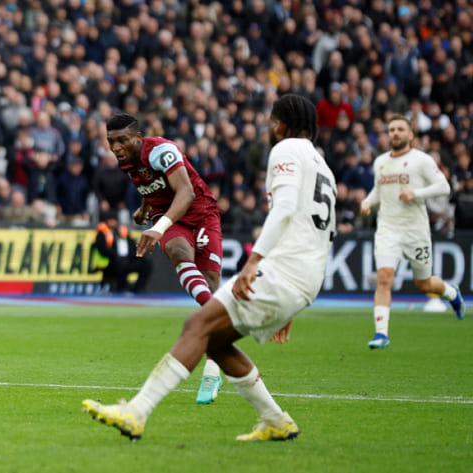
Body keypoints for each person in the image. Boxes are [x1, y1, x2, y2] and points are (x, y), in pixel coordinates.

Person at [83, 94, 337, 441]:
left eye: (269, 122)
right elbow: (319, 231)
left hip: (278, 268)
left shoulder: (285, 150)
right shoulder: (322, 166)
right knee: (212, 339)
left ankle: (135, 412)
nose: (267, 129)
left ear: (280, 125)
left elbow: (284, 209)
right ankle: (275, 420)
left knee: (197, 325)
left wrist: (254, 262)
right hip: (306, 277)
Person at [103, 113, 224, 404]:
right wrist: (146, 207)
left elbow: (185, 190)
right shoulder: (125, 160)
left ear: (137, 137)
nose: (116, 147)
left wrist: (157, 228)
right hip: (168, 218)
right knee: (178, 252)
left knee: (210, 282)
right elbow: (151, 181)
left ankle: (213, 367)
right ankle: (220, 317)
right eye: (111, 142)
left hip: (201, 211)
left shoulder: (161, 150)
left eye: (122, 140)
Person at [360, 115, 465, 349]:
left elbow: (444, 186)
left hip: (415, 231)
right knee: (384, 278)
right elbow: (378, 191)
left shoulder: (422, 161)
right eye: (391, 129)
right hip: (388, 229)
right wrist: (367, 203)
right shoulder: (381, 162)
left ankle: (451, 293)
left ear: (410, 135)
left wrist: (415, 194)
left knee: (424, 284)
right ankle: (381, 334)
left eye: (400, 129)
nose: (395, 133)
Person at [93, 210, 152, 294]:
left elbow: (132, 245)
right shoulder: (103, 232)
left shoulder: (122, 231)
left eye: (115, 220)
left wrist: (135, 255)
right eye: (111, 220)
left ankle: (136, 289)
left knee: (146, 265)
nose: (113, 223)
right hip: (111, 261)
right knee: (121, 266)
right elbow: (102, 248)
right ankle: (122, 289)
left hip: (127, 259)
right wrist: (116, 255)